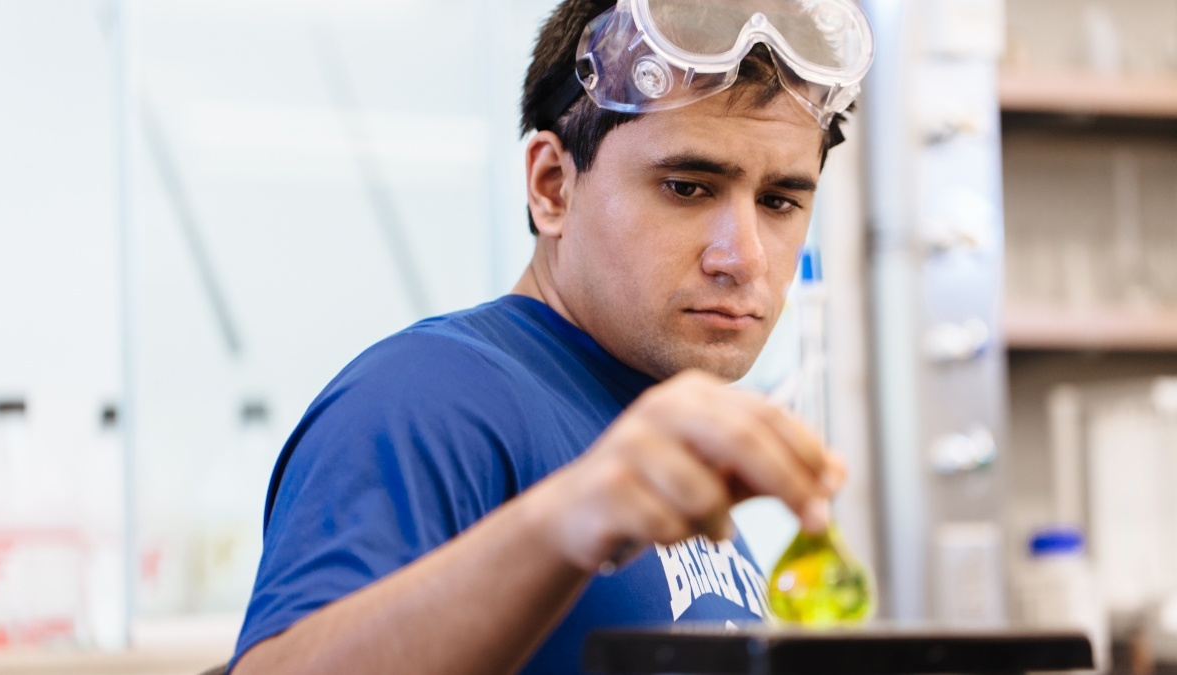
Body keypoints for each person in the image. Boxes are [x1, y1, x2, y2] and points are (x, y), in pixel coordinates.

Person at [230, 0, 873, 673]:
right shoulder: (429, 398)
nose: (743, 258)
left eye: (779, 201)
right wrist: (565, 518)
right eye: (687, 187)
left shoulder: (654, 445)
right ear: (552, 185)